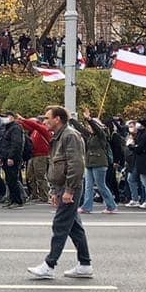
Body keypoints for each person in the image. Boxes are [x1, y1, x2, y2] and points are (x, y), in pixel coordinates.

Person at [28, 106, 94, 279]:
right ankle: (85, 264)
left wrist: (69, 190)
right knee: (74, 227)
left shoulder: (70, 136)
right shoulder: (58, 136)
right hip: (61, 187)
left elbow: (76, 165)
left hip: (68, 187)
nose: (44, 122)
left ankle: (49, 265)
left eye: (47, 118)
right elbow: (55, 166)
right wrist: (52, 190)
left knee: (60, 225)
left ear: (58, 119)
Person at [74, 108, 117, 214]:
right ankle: (86, 207)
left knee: (101, 185)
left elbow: (96, 128)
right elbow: (81, 129)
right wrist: (71, 120)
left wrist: (89, 119)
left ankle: (111, 206)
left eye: (90, 126)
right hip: (89, 163)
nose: (89, 128)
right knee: (88, 186)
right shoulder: (90, 136)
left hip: (99, 163)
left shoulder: (102, 135)